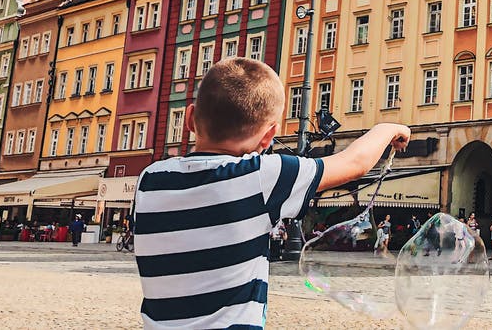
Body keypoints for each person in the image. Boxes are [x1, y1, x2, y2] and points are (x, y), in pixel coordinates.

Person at [132, 58, 411, 329]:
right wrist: (388, 128)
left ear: (190, 118)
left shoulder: (150, 179)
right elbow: (354, 164)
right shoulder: (260, 176)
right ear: (269, 137)